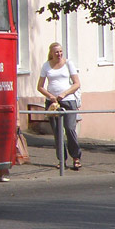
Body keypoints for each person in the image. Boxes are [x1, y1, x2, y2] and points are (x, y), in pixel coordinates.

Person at [37, 42, 82, 170]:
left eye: (61, 51)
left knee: (69, 128)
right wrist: (50, 95)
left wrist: (65, 93)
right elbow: (39, 86)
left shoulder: (68, 64)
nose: (59, 54)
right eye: (56, 52)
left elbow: (77, 83)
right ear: (51, 53)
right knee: (57, 131)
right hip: (53, 102)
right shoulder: (46, 66)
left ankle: (76, 157)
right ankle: (62, 159)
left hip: (68, 100)